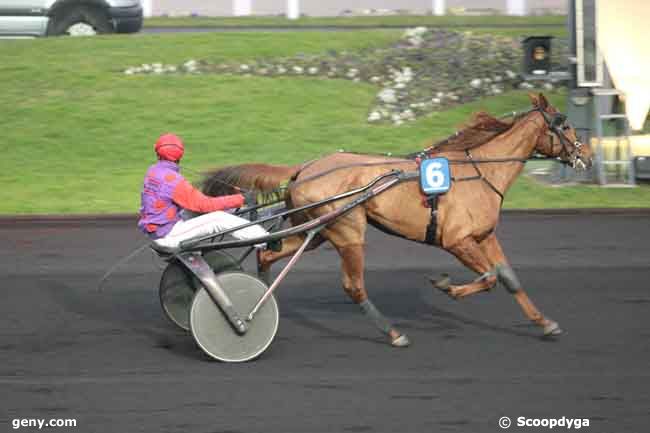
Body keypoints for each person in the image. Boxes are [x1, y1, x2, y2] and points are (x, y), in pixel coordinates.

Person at [138, 133, 268, 252]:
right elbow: (204, 204)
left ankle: (238, 217)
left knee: (201, 211)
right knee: (219, 218)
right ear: (180, 155)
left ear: (157, 152)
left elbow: (194, 204)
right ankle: (265, 240)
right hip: (168, 234)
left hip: (158, 230)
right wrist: (242, 199)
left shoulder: (153, 171)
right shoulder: (172, 180)